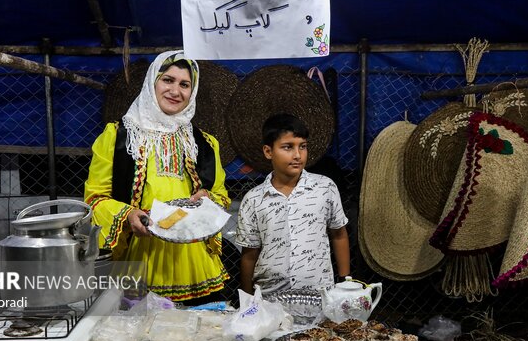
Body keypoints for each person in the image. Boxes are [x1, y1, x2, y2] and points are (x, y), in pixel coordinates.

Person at [84, 50, 231, 304]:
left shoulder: (205, 143)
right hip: (141, 255)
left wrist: (207, 198)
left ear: (192, 92)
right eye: (168, 80)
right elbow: (95, 198)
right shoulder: (117, 137)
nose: (176, 91)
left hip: (194, 261)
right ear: (152, 82)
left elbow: (221, 196)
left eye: (185, 84)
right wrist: (129, 215)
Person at [235, 113, 350, 294]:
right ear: (268, 151)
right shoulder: (254, 199)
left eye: (302, 147)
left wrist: (345, 281)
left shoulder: (325, 188)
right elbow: (249, 254)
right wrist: (248, 301)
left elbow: (339, 234)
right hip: (269, 297)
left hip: (319, 295)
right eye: (287, 147)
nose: (297, 155)